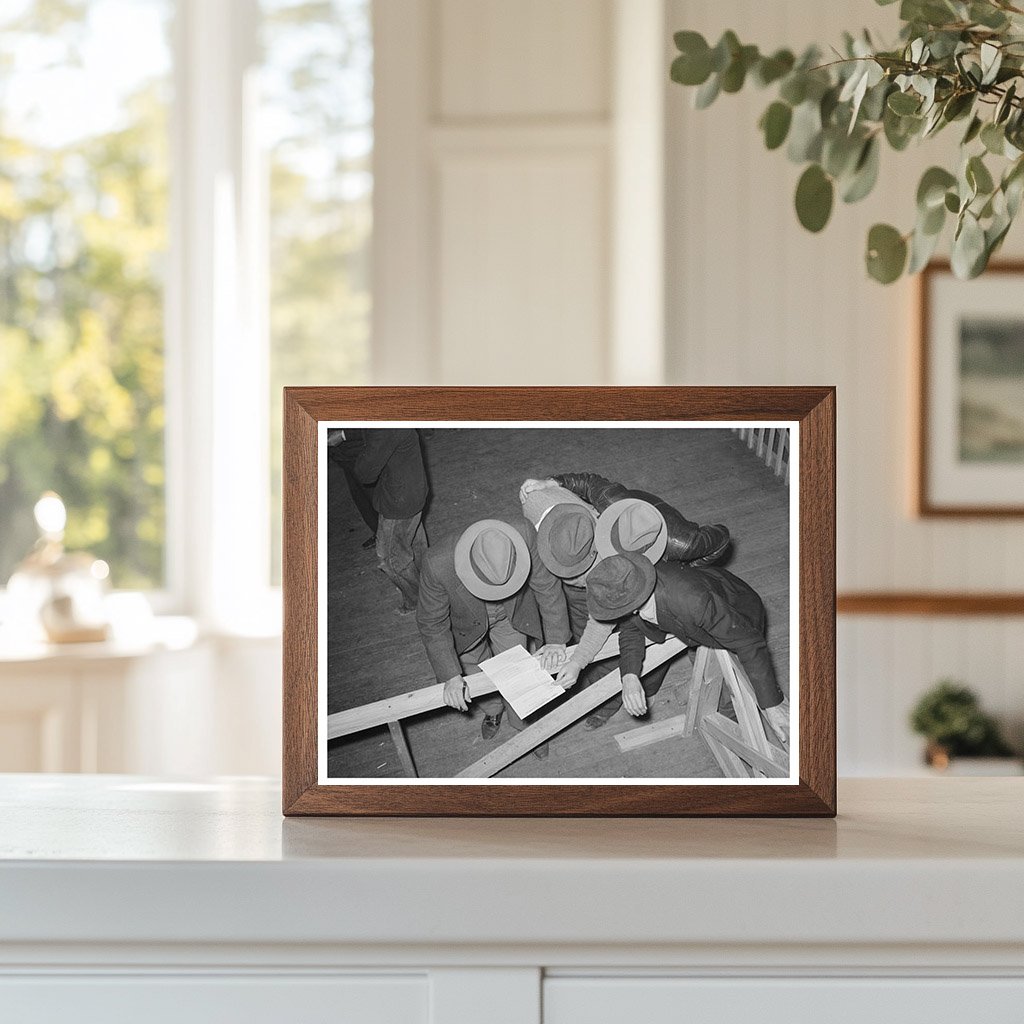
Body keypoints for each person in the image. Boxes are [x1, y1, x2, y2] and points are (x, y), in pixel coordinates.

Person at [564, 551, 790, 745]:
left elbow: (748, 642)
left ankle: (733, 735)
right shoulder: (634, 588)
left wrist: (772, 704)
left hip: (738, 613)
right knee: (698, 656)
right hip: (699, 620)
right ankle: (700, 687)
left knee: (730, 691)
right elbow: (631, 630)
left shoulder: (693, 602)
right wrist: (630, 676)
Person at [416, 517, 571, 756]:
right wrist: (451, 676)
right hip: (463, 624)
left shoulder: (524, 532)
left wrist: (556, 639)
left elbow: (547, 586)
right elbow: (432, 623)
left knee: (516, 669)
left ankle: (525, 723)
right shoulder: (436, 563)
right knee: (472, 672)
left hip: (510, 613)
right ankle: (492, 710)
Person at [521, 471, 730, 566]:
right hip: (633, 503)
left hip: (669, 528)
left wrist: (691, 566)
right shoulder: (610, 499)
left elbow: (722, 537)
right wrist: (552, 482)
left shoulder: (683, 543)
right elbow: (588, 481)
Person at [354, 428, 428, 613]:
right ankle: (432, 587)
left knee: (390, 559)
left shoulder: (382, 428)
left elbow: (365, 473)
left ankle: (417, 602)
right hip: (414, 490)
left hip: (398, 502)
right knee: (416, 547)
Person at [326, 427, 377, 549]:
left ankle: (392, 539)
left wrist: (344, 435)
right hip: (342, 456)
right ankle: (380, 534)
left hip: (360, 451)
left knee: (376, 498)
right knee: (361, 499)